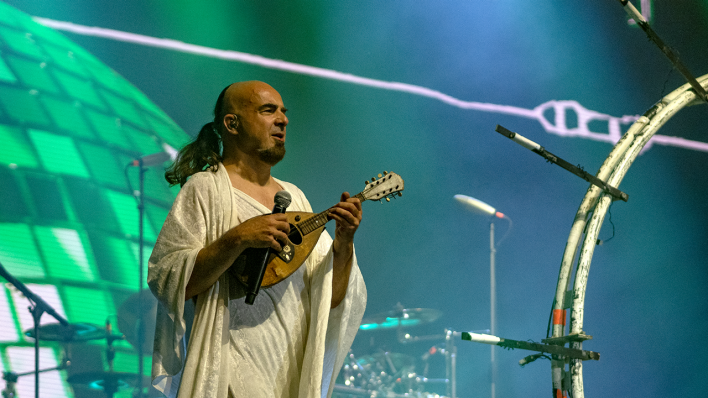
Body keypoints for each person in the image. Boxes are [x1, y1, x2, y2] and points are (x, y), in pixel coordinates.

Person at [148, 81, 367, 398]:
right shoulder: (205, 189)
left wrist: (343, 246)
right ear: (231, 124)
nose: (283, 119)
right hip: (230, 367)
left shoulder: (297, 201)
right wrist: (237, 238)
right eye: (268, 110)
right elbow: (167, 277)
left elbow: (329, 300)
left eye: (283, 112)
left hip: (289, 370)